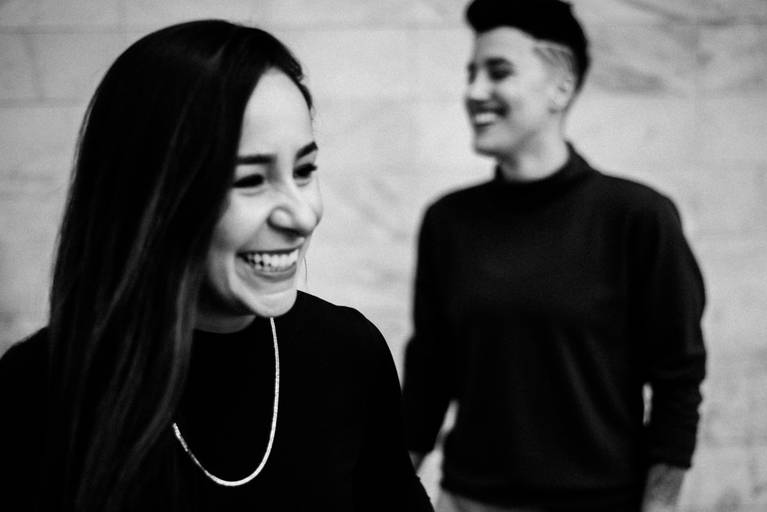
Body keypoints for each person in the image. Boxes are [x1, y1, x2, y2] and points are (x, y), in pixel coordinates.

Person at [0, 20, 433, 512]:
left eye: (304, 170)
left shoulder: (348, 353)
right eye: (251, 180)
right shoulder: (37, 388)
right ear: (152, 196)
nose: (303, 215)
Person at [401, 1, 706, 511]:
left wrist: (659, 506)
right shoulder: (447, 221)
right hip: (469, 500)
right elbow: (429, 376)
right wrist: (387, 489)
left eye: (498, 72)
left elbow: (679, 380)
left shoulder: (637, 217)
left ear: (560, 89)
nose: (474, 91)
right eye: (471, 73)